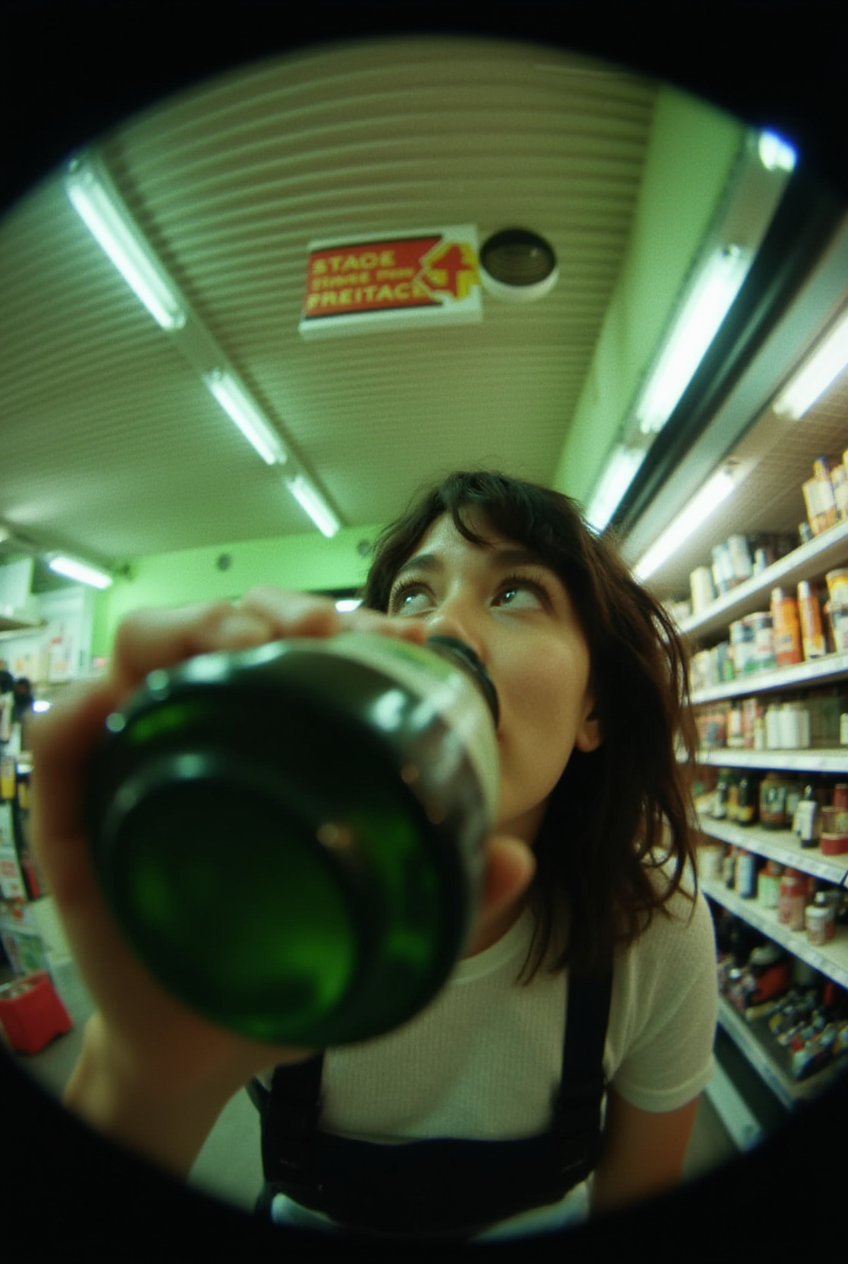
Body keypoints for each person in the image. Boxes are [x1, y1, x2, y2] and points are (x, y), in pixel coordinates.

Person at [29, 469, 717, 1242]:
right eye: (414, 596)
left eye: (516, 592)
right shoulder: (266, 893)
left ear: (595, 708)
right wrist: (142, 1072)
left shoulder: (654, 927)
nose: (443, 626)